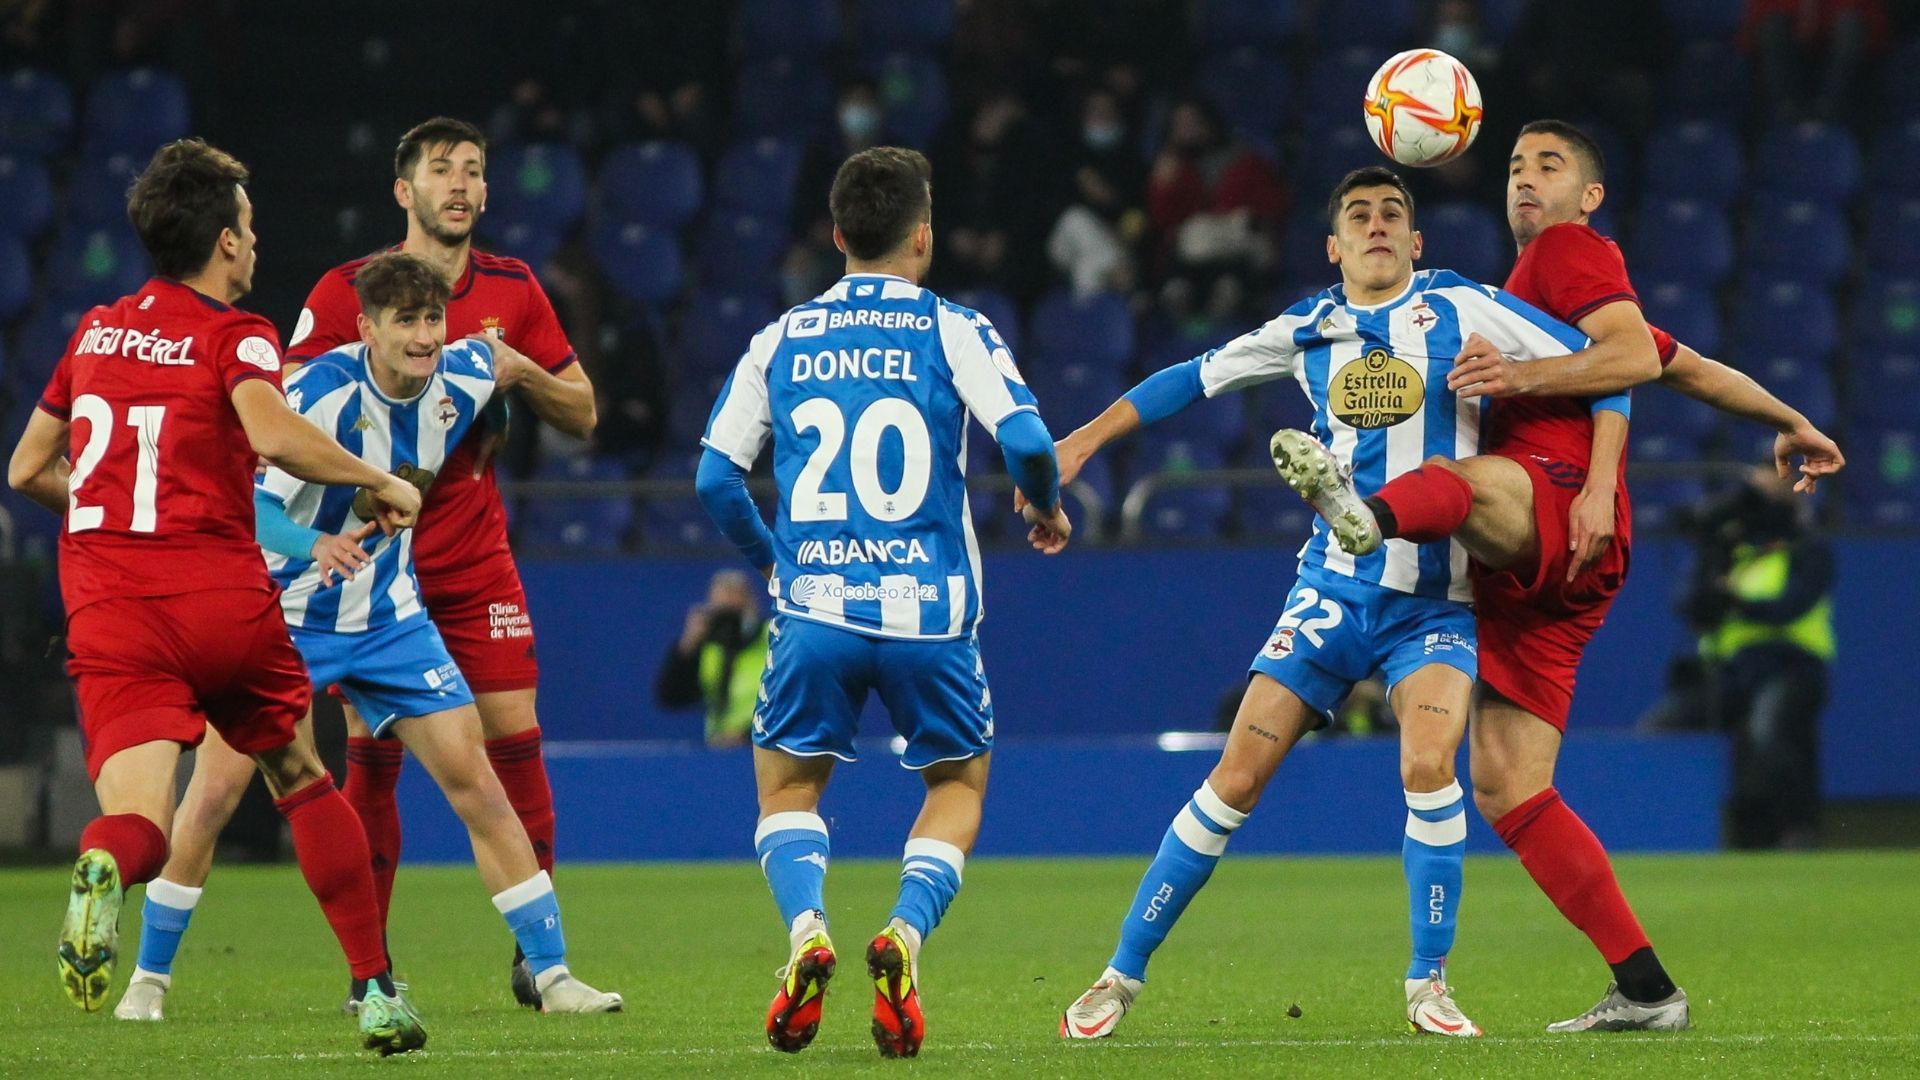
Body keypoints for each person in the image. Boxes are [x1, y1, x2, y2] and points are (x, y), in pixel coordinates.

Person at [1047, 165, 1627, 1042]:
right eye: (1358, 215)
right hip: (1331, 592)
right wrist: (1082, 442)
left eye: (1395, 213)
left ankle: (1428, 981)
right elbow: (1188, 379)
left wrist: (1591, 467)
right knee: (1235, 777)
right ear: (1333, 246)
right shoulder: (1308, 326)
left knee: (1430, 767)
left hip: (1435, 600)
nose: (1378, 225)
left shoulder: (1464, 305)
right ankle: (1119, 975)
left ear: (1418, 239)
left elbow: (1608, 370)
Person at [1289, 120, 1843, 1032]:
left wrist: (1569, 449)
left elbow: (1622, 356)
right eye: (1512, 166)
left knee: (1454, 486)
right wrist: (1788, 418)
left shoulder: (1566, 250)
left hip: (1550, 509)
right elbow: (1679, 364)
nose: (1523, 180)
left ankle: (1363, 521)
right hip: (1538, 569)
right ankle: (1647, 989)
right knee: (1510, 787)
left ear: (1590, 197)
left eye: (1548, 166)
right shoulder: (1531, 290)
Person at [117, 253, 622, 1021]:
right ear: (367, 329)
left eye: (432, 320)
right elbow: (246, 504)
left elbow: (509, 374)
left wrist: (498, 423)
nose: (425, 338)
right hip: (283, 615)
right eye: (406, 323)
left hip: (389, 618)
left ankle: (552, 978)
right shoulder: (317, 393)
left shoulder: (467, 370)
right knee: (216, 791)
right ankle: (147, 981)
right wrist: (310, 543)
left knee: (476, 783)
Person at [5, 138, 427, 1054]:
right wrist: (380, 479)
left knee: (141, 826)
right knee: (301, 776)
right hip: (218, 600)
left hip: (113, 609)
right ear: (225, 243)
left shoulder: (95, 331)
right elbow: (272, 435)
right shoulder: (238, 333)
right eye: (247, 221)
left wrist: (117, 507)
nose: (255, 235)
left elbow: (28, 467)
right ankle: (377, 990)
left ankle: (102, 869)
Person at [697, 146, 1072, 1059]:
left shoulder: (779, 338)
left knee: (788, 787)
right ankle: (901, 936)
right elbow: (1026, 436)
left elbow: (714, 479)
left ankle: (806, 932)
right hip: (930, 616)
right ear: (924, 234)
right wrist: (1045, 501)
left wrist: (780, 560)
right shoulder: (955, 329)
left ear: (836, 236)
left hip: (817, 608)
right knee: (957, 783)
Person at [286, 116, 597, 1008]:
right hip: (373, 564)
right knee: (369, 755)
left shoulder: (514, 287)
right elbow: (284, 421)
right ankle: (371, 974)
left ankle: (540, 965)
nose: (459, 185)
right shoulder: (348, 289)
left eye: (473, 171)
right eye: (439, 171)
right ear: (404, 190)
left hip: (469, 554)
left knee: (514, 743)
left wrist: (518, 374)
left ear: (488, 192)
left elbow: (582, 413)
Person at [1644, 468, 1833, 849]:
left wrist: (1735, 601)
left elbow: (1792, 605)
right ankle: (1668, 832)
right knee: (1660, 728)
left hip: (1791, 666)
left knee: (1769, 730)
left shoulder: (1808, 547)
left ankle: (1796, 830)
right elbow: (1690, 606)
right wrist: (1709, 567)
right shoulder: (1730, 549)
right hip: (1731, 672)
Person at [653, 568, 770, 748]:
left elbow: (790, 699)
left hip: (765, 744)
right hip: (719, 747)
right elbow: (671, 697)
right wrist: (687, 646)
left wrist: (747, 734)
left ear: (752, 602)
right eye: (723, 612)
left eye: (737, 606)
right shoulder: (709, 646)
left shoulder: (771, 637)